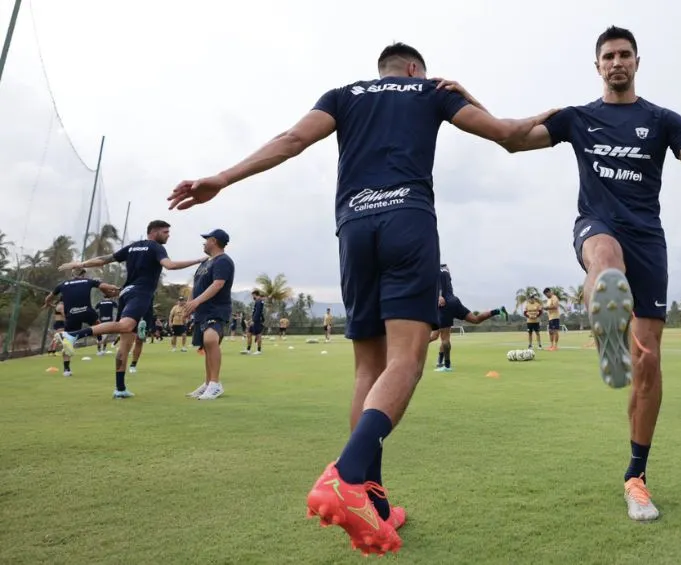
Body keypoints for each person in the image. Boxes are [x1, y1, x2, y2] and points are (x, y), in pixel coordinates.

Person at [167, 42, 557, 555]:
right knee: (407, 362)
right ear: (416, 68)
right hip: (407, 221)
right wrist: (524, 108)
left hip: (354, 227)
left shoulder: (342, 94)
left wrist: (222, 177)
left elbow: (290, 140)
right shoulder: (431, 91)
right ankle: (346, 475)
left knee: (366, 371)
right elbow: (508, 134)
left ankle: (372, 503)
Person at [437, 26, 681, 523]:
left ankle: (636, 476)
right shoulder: (578, 118)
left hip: (649, 240)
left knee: (649, 364)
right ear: (597, 66)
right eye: (608, 56)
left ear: (636, 62)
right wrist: (467, 99)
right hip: (597, 225)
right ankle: (605, 322)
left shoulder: (662, 120)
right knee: (605, 257)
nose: (616, 62)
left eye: (624, 55)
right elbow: (509, 139)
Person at [57, 220, 206, 398]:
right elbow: (170, 265)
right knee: (126, 326)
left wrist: (81, 264)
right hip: (141, 293)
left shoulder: (132, 247)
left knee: (125, 345)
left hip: (126, 293)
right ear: (154, 232)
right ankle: (74, 335)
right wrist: (199, 260)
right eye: (165, 232)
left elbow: (104, 259)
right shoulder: (155, 247)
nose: (168, 235)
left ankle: (120, 389)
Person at [184, 229, 235, 400]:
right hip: (201, 311)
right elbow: (196, 284)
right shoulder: (205, 262)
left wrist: (196, 302)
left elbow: (218, 284)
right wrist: (189, 306)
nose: (204, 243)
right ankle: (207, 384)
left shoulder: (223, 261)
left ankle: (215, 384)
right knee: (206, 346)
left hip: (216, 309)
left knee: (210, 340)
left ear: (213, 241)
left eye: (206, 240)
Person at [430, 263, 508, 372]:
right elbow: (444, 283)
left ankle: (447, 366)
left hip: (444, 305)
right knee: (475, 319)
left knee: (445, 338)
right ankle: (498, 311)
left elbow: (434, 285)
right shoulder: (446, 271)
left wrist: (439, 296)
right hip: (455, 301)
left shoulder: (433, 271)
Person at [43, 268, 119, 376]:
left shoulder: (62, 284)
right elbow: (104, 286)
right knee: (98, 324)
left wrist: (47, 304)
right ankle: (99, 338)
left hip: (72, 314)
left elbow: (49, 297)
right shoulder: (88, 281)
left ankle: (66, 370)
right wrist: (116, 288)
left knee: (68, 341)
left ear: (72, 274)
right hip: (87, 311)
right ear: (83, 274)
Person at [244, 290, 265, 355]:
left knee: (258, 335)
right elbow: (255, 312)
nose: (252, 297)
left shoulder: (259, 301)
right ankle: (248, 350)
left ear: (255, 294)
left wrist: (254, 320)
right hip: (255, 320)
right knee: (249, 334)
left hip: (257, 321)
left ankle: (259, 351)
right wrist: (250, 320)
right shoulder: (257, 301)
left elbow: (258, 312)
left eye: (252, 295)